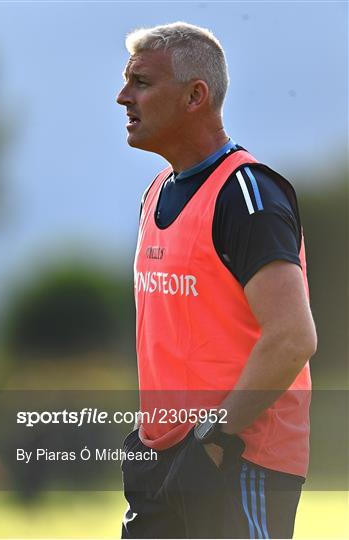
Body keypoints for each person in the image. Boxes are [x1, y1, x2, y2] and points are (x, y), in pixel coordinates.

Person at [116, 22, 317, 539]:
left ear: (194, 96)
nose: (122, 97)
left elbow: (293, 337)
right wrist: (150, 438)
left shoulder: (247, 194)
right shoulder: (156, 192)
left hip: (236, 464)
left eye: (140, 82)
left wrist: (211, 437)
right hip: (164, 461)